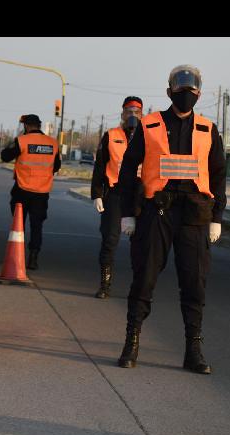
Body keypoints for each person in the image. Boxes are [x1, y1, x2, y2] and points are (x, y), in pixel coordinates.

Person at [115, 65, 226, 374]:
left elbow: (218, 175)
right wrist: (128, 213)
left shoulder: (208, 129)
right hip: (157, 213)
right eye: (179, 91)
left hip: (195, 215)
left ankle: (194, 351)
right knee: (144, 279)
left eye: (191, 92)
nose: (185, 96)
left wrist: (217, 217)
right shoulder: (149, 125)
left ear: (199, 95)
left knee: (194, 285)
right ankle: (131, 344)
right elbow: (128, 170)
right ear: (168, 93)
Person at [90, 96, 144, 299]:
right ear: (122, 114)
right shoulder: (111, 136)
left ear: (142, 114)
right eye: (129, 111)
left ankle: (139, 288)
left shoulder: (149, 136)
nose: (132, 115)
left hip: (140, 196)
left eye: (137, 112)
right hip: (115, 196)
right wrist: (97, 194)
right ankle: (105, 285)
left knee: (141, 245)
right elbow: (100, 167)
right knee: (109, 241)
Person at [1, 114, 61, 270]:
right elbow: (56, 166)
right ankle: (33, 257)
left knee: (18, 224)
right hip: (42, 192)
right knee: (37, 226)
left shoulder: (22, 141)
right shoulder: (53, 143)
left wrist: (12, 142)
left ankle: (16, 256)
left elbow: (5, 156)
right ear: (39, 126)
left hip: (22, 189)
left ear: (26, 126)